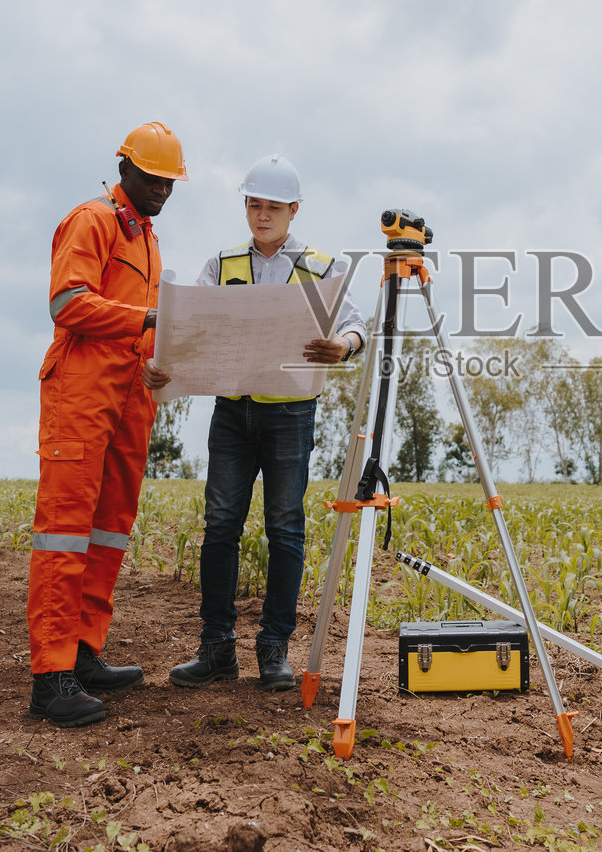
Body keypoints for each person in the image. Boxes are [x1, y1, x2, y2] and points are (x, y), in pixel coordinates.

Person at [150, 154, 365, 692]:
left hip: (290, 414)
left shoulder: (322, 267)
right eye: (254, 204)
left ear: (294, 209)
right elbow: (186, 325)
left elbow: (357, 323)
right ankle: (216, 648)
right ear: (245, 206)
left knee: (284, 529)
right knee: (220, 527)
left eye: (272, 206)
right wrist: (163, 365)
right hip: (232, 412)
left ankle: (274, 650)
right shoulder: (221, 264)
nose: (262, 214)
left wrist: (343, 345)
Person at [26, 122, 188, 728]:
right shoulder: (90, 220)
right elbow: (67, 303)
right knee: (65, 530)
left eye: (171, 184)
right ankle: (51, 678)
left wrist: (157, 363)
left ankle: (85, 653)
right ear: (124, 170)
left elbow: (145, 326)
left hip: (127, 396)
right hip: (80, 393)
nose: (162, 192)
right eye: (153, 180)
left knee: (110, 528)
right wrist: (147, 319)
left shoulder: (146, 239)